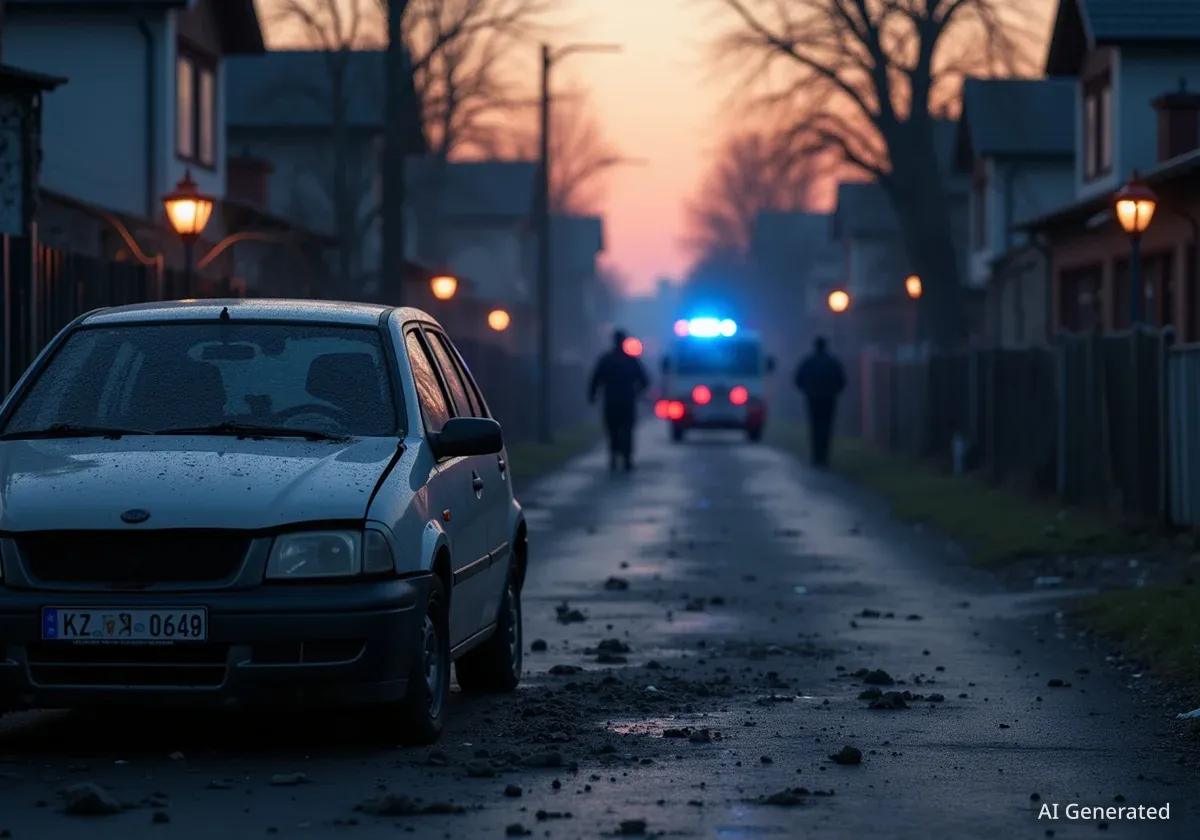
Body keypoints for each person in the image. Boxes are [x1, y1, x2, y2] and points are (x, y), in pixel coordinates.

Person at [589, 329, 650, 472]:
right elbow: (645, 380)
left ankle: (614, 458)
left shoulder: (606, 359)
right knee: (627, 430)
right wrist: (638, 393)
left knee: (612, 431)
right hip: (627, 402)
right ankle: (627, 459)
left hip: (611, 402)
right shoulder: (631, 361)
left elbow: (595, 379)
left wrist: (592, 395)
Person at [793, 336, 846, 468]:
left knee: (815, 427)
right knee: (826, 428)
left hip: (813, 399)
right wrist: (833, 392)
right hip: (829, 399)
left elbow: (798, 379)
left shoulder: (808, 362)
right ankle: (824, 457)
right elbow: (842, 381)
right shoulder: (833, 362)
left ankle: (816, 456)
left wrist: (807, 390)